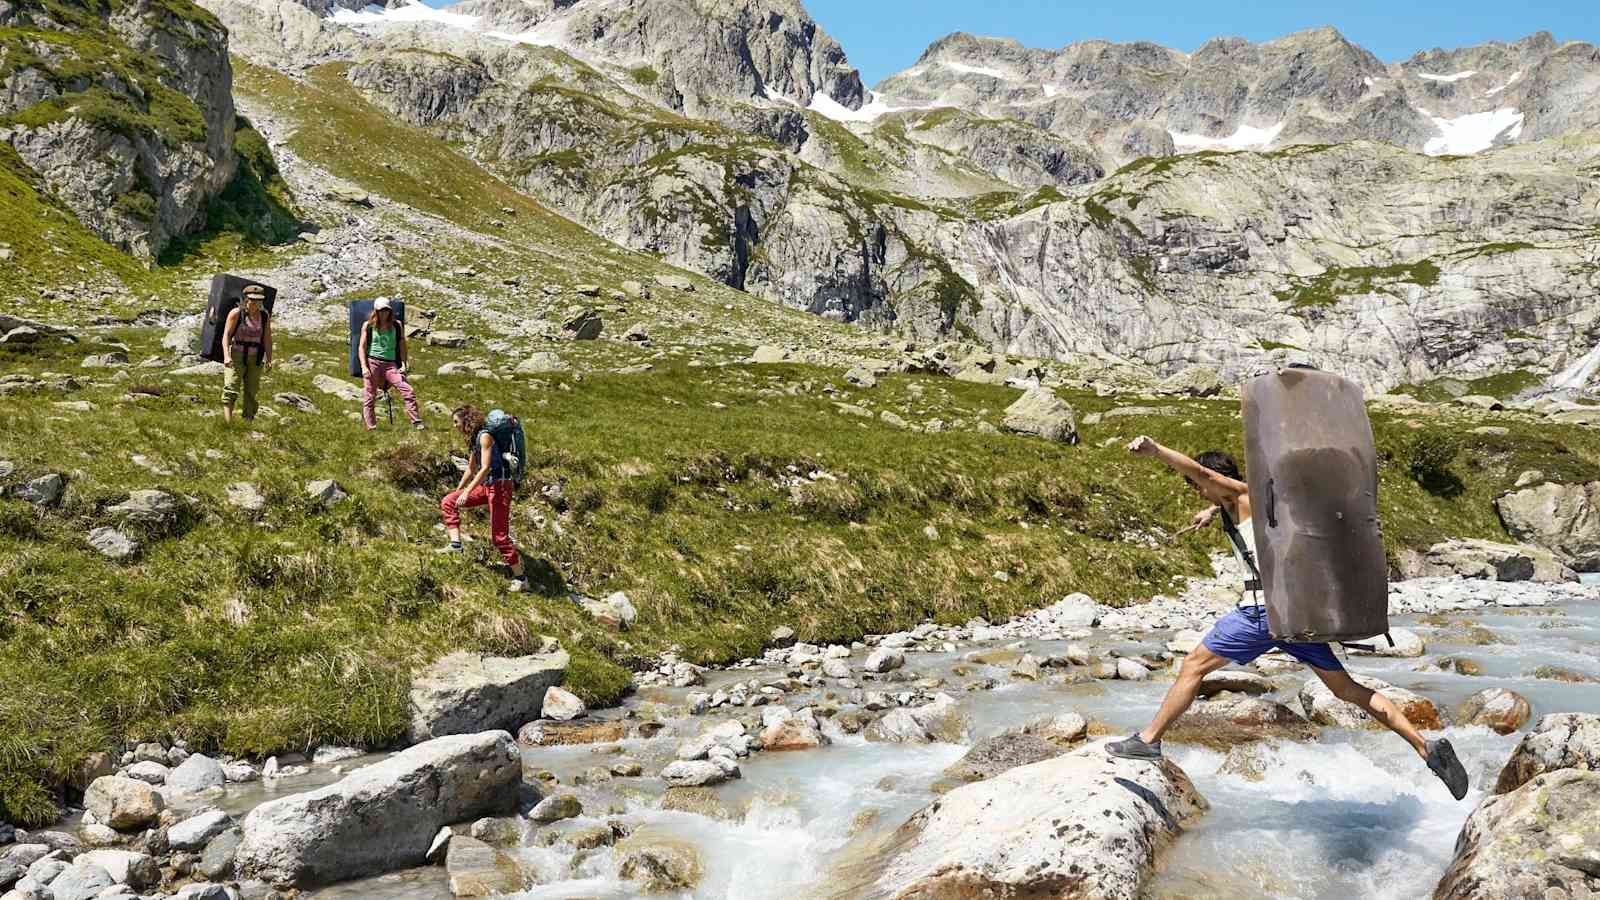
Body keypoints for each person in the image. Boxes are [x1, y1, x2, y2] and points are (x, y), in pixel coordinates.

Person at [1104, 435, 1471, 801]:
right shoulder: (1259, 502)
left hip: (1261, 613)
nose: (1199, 493)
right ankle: (1425, 747)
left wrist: (1157, 451)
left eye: (1201, 489)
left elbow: (1201, 473)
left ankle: (1149, 740)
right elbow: (1226, 495)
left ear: (1214, 481)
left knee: (1194, 667)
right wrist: (1211, 512)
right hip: (1295, 612)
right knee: (1345, 690)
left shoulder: (1238, 496)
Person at [441, 405, 527, 592]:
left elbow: (485, 467)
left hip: (500, 487)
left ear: (466, 420)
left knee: (499, 538)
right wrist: (458, 491)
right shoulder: (474, 440)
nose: (454, 425)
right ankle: (456, 545)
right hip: (487, 486)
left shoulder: (485, 436)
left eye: (456, 421)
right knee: (448, 501)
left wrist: (466, 493)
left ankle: (521, 578)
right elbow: (471, 469)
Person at [358, 297, 423, 430]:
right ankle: (371, 427)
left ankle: (416, 421)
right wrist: (364, 367)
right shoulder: (368, 325)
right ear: (376, 311)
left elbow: (402, 345)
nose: (384, 313)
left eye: (386, 310)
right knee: (370, 395)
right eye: (381, 310)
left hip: (390, 364)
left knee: (407, 390)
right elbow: (362, 347)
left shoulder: (397, 325)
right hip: (372, 362)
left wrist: (404, 364)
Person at [221, 284, 272, 423]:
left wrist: (269, 358)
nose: (255, 303)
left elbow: (267, 338)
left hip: (256, 357)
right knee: (231, 387)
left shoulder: (264, 316)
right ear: (246, 299)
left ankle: (247, 421)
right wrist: (226, 355)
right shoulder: (236, 313)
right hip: (237, 354)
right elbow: (226, 335)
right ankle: (228, 422)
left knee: (251, 390)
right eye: (252, 299)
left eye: (259, 300)